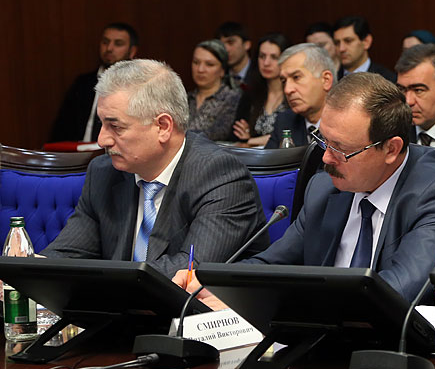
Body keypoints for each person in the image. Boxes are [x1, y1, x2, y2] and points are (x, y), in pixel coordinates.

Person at [178, 72, 435, 305]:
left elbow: (395, 293)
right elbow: (273, 264)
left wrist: (279, 303)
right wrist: (213, 284)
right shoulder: (324, 187)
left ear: (391, 149)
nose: (326, 158)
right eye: (323, 141)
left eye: (341, 148)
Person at [42, 59, 267, 274]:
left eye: (116, 127)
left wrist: (101, 283)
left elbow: (189, 270)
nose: (102, 140)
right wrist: (34, 268)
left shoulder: (221, 175)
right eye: (102, 124)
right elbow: (67, 254)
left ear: (163, 126)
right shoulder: (104, 172)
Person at [49, 22, 139, 142]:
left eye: (118, 44)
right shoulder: (82, 83)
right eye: (105, 42)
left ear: (132, 51)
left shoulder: (138, 86)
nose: (109, 48)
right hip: (79, 150)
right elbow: (62, 129)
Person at [265, 43, 336, 148]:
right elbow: (268, 158)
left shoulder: (349, 122)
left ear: (326, 80)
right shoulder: (285, 121)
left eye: (296, 77)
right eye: (284, 81)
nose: (287, 90)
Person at [233, 34, 290, 147]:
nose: (266, 63)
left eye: (274, 57)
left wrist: (250, 141)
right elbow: (237, 134)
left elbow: (288, 136)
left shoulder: (294, 94)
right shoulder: (250, 94)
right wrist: (245, 134)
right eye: (262, 56)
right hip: (254, 155)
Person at [187, 40, 241, 141]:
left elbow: (220, 133)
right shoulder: (185, 98)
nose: (200, 69)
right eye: (196, 62)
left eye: (209, 64)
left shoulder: (232, 97)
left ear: (222, 70)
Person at [333, 15, 395, 81]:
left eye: (348, 41)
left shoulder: (387, 79)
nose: (341, 49)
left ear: (366, 41)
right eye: (337, 43)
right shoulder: (331, 80)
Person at [216, 21, 255, 86]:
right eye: (221, 45)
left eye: (230, 43)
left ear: (246, 45)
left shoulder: (261, 74)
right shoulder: (218, 76)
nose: (226, 49)